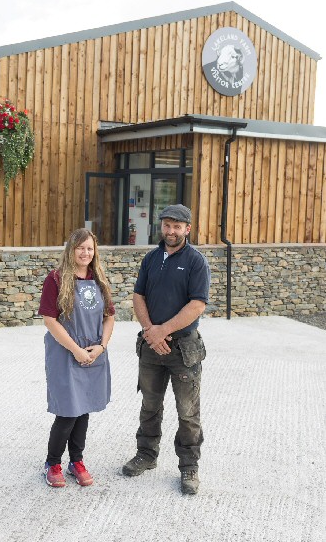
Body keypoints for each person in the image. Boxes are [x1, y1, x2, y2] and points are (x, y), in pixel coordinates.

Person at [122, 204, 210, 495]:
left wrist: (163, 330)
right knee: (149, 405)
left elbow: (197, 305)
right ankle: (146, 455)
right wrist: (151, 331)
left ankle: (188, 467)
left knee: (187, 411)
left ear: (187, 229)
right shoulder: (151, 258)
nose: (171, 231)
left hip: (183, 349)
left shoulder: (196, 262)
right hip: (151, 346)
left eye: (177, 226)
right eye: (167, 225)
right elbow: (138, 295)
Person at [38, 228, 115, 488]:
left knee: (84, 410)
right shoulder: (56, 280)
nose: (85, 253)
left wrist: (101, 347)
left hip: (93, 353)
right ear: (70, 250)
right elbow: (50, 320)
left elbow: (109, 317)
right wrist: (76, 349)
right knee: (68, 411)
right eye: (80, 248)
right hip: (65, 352)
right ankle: (52, 463)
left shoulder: (99, 280)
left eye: (90, 248)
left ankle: (76, 461)